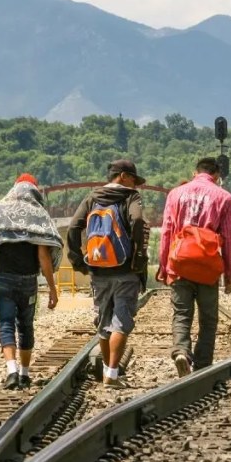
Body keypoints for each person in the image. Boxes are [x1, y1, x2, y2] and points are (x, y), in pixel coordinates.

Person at [0, 173, 62, 390]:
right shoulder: (39, 215)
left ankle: (11, 371)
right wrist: (53, 289)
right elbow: (44, 257)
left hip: (3, 281)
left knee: (6, 323)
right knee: (25, 326)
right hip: (28, 282)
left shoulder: (1, 211)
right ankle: (25, 374)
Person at [66, 159, 148, 388]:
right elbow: (138, 220)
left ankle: (106, 371)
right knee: (121, 321)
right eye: (133, 178)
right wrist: (139, 256)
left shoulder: (92, 197)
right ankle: (111, 374)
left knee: (103, 323)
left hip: (98, 269)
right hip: (125, 270)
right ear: (122, 176)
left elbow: (74, 226)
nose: (135, 184)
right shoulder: (131, 197)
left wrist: (77, 260)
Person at [157, 157, 231, 376]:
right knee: (208, 318)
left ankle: (181, 350)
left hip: (180, 262)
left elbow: (166, 231)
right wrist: (230, 272)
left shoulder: (175, 194)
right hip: (208, 266)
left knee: (182, 313)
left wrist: (164, 265)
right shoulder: (224, 197)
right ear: (217, 176)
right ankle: (203, 366)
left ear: (195, 172)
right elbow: (228, 237)